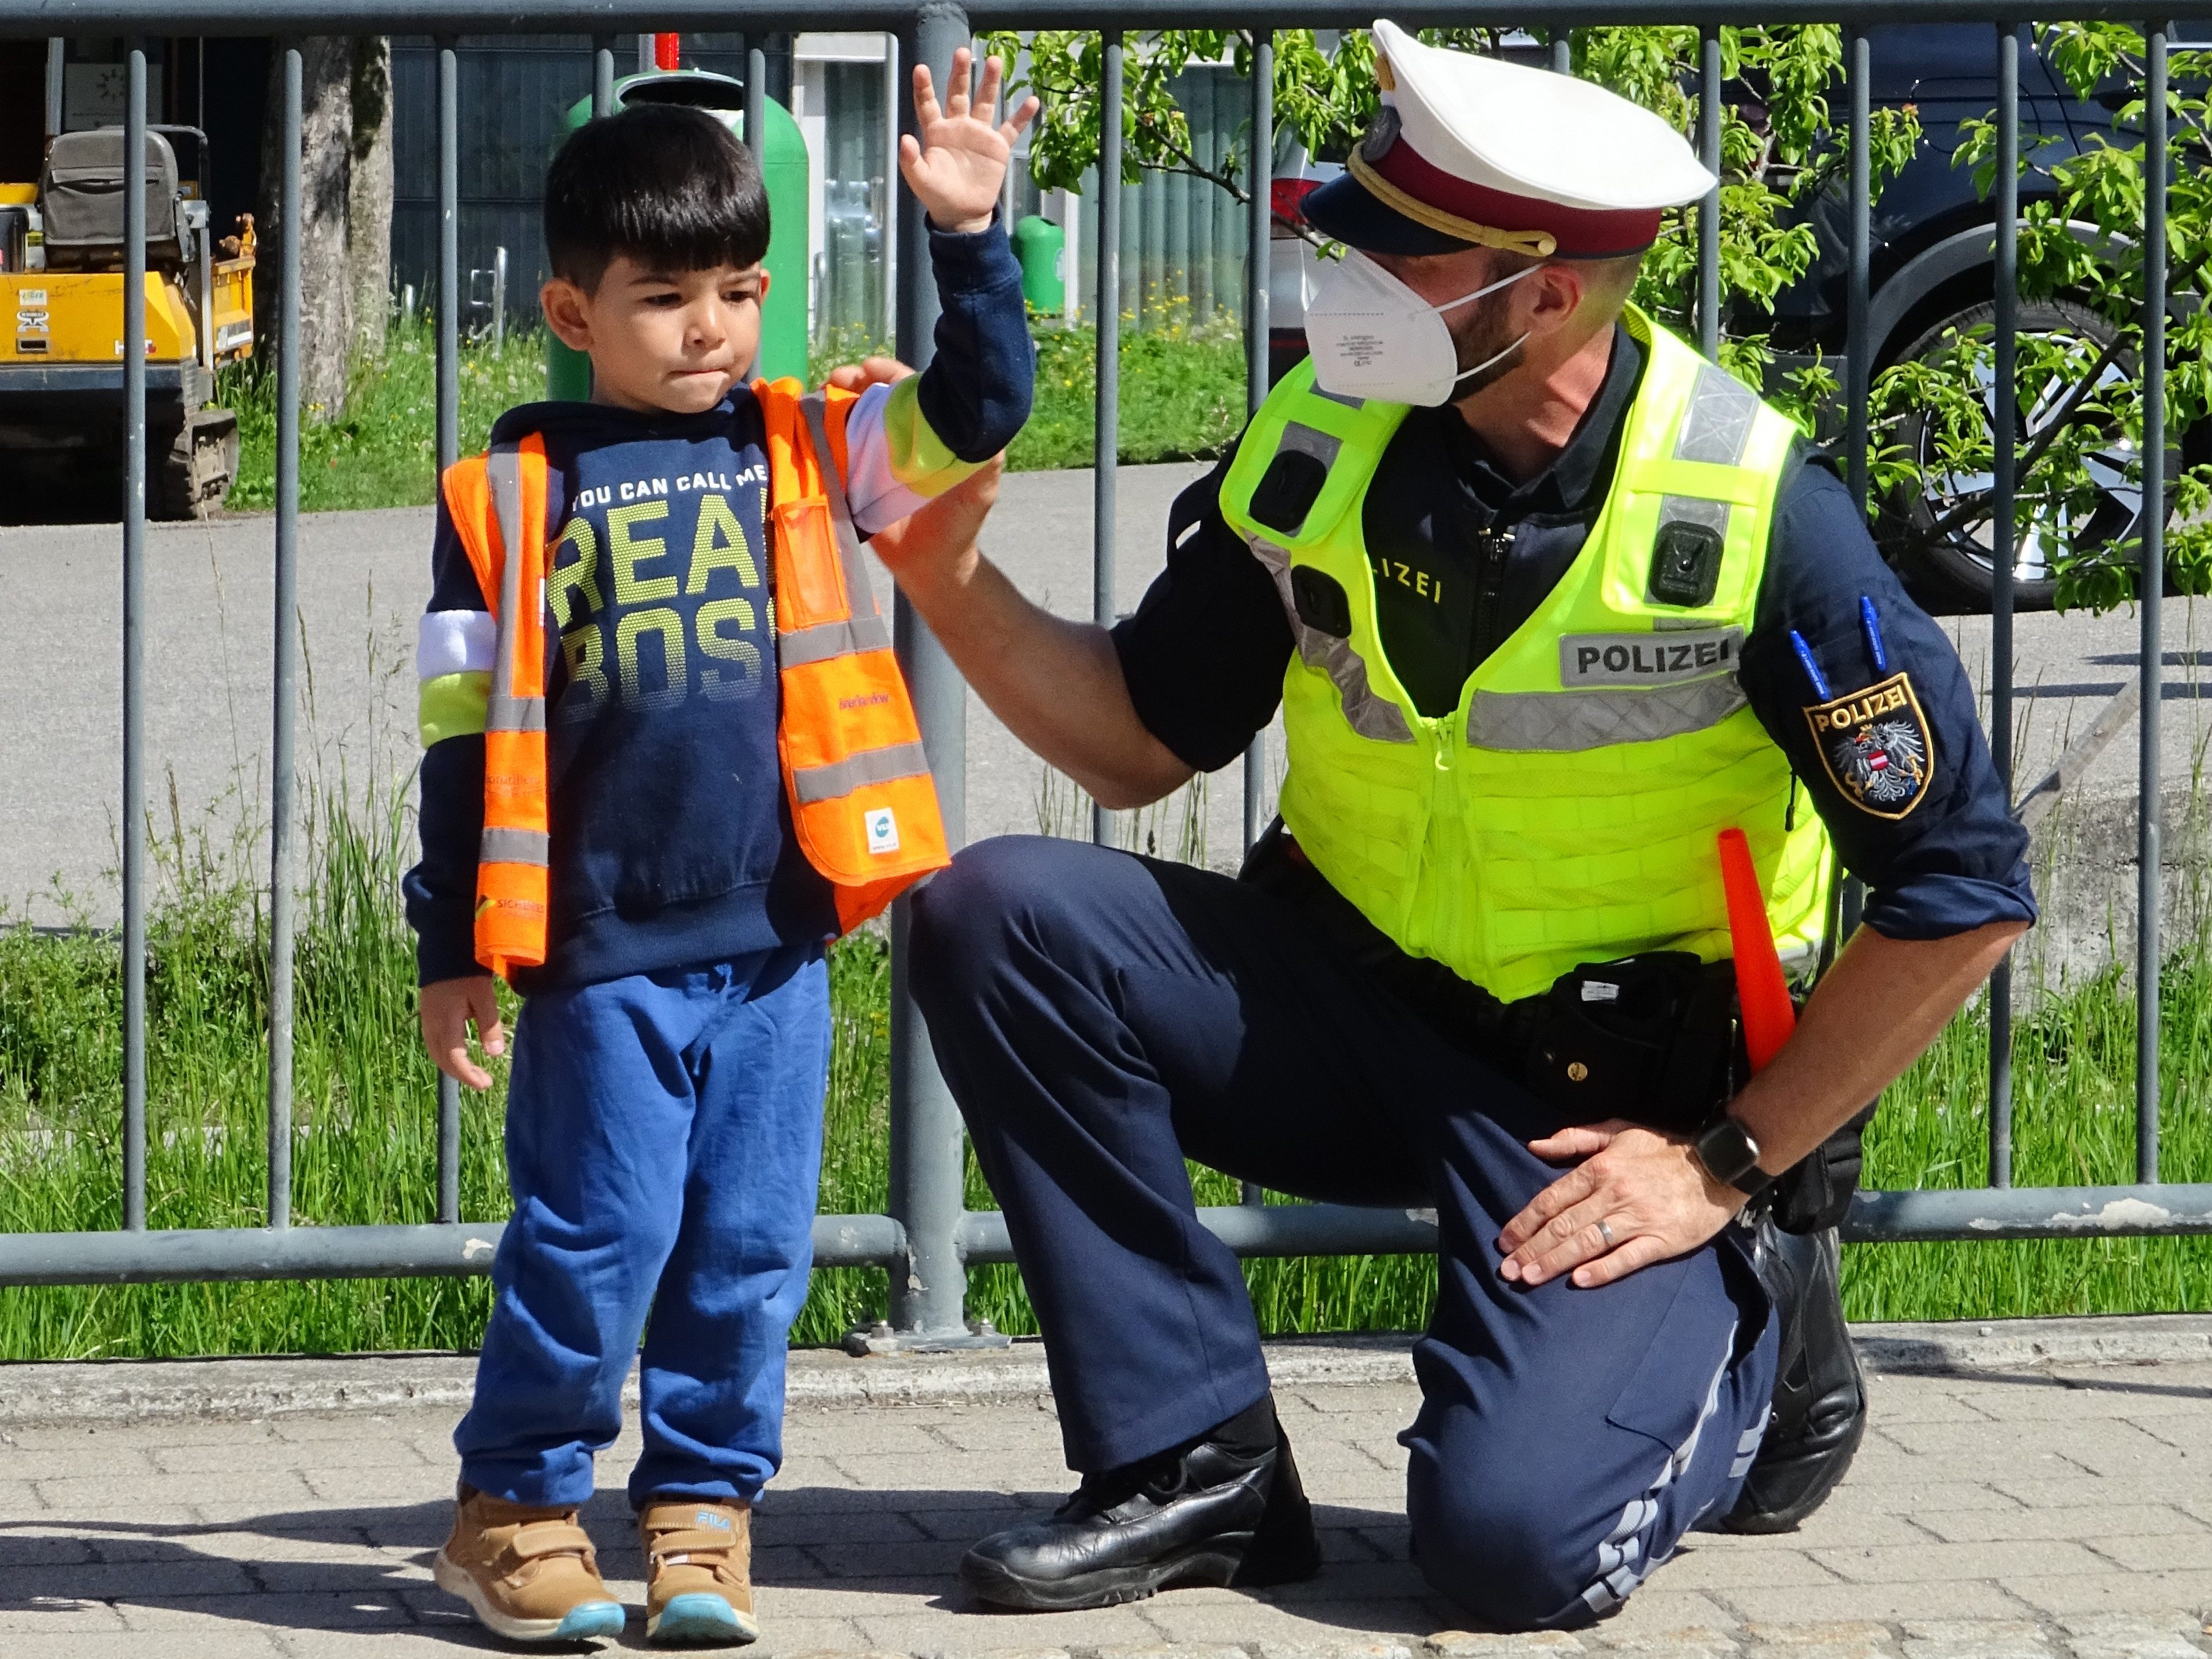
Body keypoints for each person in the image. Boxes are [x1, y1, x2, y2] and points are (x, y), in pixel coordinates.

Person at [870, 21, 2034, 1632]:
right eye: (1343, 243)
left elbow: (1961, 890)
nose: (1334, 285)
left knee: (1505, 1559)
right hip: (1342, 1012)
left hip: (1607, 1115)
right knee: (993, 913)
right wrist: (941, 570)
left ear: (1545, 292)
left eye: (1394, 261)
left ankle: (1754, 1317)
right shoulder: (1317, 441)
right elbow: (1141, 740)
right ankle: (1193, 1464)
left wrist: (1723, 1164)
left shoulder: (1765, 517)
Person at [401, 58, 1036, 1648]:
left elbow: (981, 414)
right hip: (597, 949)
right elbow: (460, 736)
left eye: (741, 291)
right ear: (570, 311)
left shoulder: (807, 443)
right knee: (594, 1234)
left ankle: (703, 1509)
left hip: (776, 938)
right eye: (667, 296)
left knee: (749, 1244)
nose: (712, 328)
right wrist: (445, 943)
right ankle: (515, 1507)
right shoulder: (502, 492)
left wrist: (971, 240)